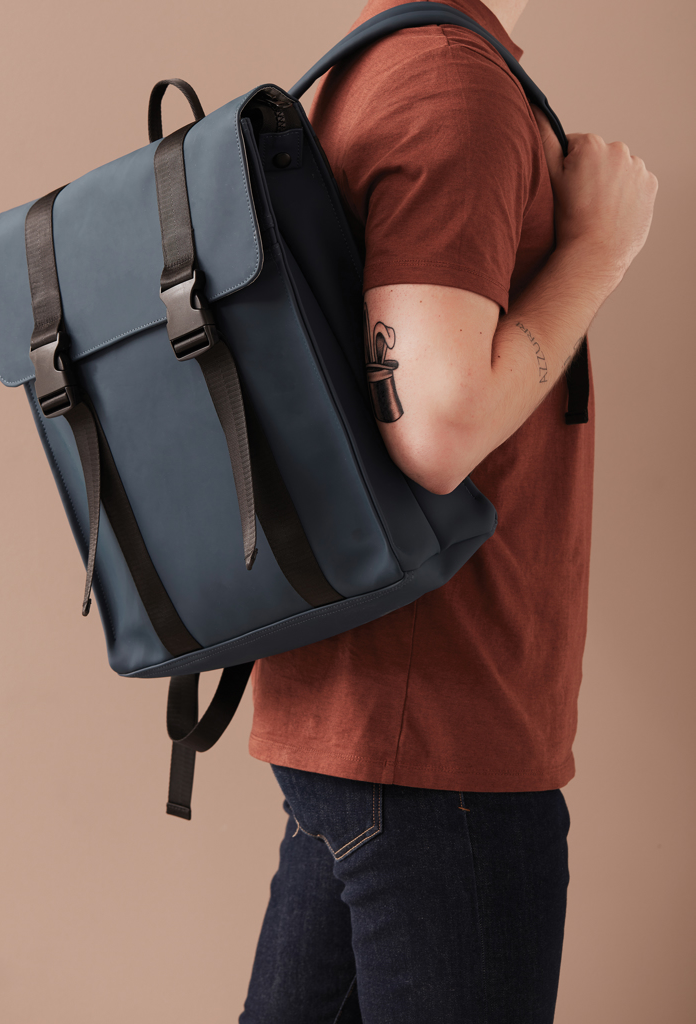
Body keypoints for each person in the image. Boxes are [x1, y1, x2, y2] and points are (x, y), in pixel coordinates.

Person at [239, 1, 658, 1021]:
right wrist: (598, 252)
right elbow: (435, 430)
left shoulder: (381, 59)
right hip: (441, 740)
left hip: (372, 716)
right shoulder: (450, 82)